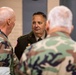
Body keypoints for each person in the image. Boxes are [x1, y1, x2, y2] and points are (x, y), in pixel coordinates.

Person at [20, 6, 76, 75]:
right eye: (34, 23)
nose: (36, 25)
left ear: (47, 25)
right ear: (71, 28)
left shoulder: (31, 51)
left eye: (39, 23)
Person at [0, 7, 25, 75]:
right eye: (14, 21)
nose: (14, 23)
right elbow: (3, 72)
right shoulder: (3, 42)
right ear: (9, 21)